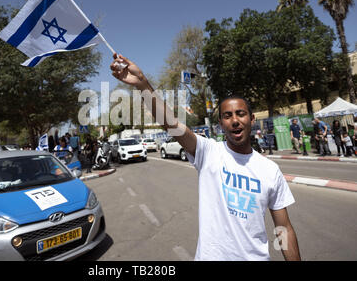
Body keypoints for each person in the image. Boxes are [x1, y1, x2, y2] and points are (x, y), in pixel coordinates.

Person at [110, 53, 301, 261]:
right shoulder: (209, 152)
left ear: (252, 119)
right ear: (220, 123)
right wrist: (143, 85)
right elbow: (172, 125)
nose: (235, 121)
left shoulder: (270, 170)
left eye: (241, 114)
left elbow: (284, 229)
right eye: (227, 116)